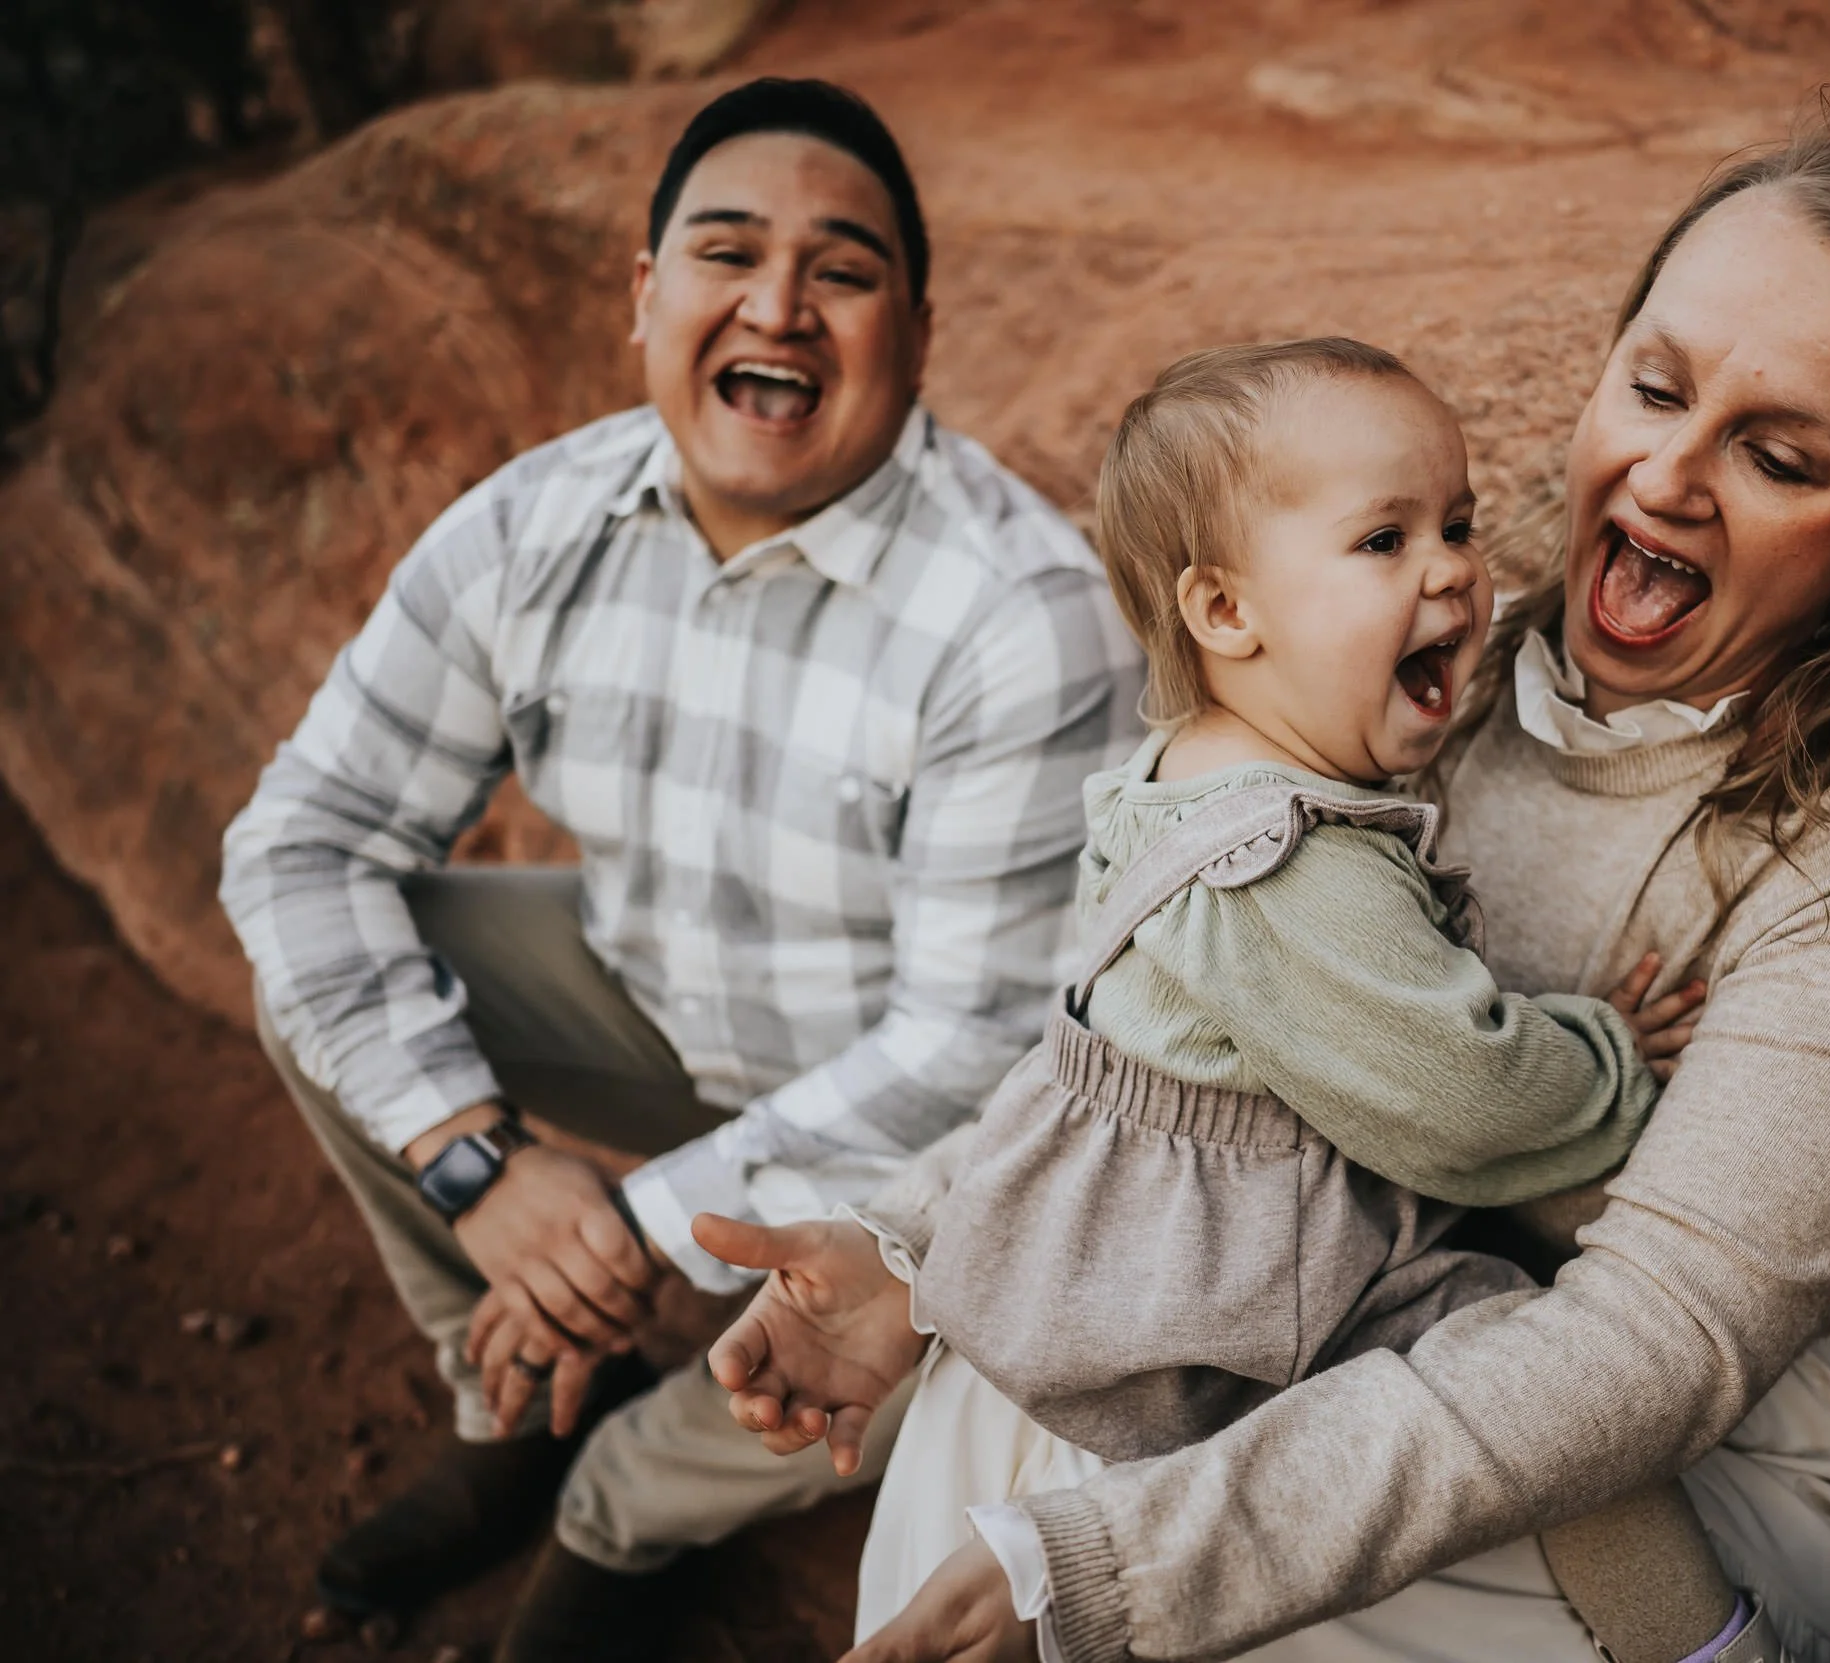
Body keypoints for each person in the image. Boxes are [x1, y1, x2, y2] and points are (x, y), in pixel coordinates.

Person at [695, 115, 1830, 1663]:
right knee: (1018, 1405)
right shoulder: (1419, 682)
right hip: (1395, 1299)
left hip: (1731, 1451)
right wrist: (914, 1259)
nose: (1668, 473)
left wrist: (1129, 1566)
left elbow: (1647, 1350)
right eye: (1652, 388)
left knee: (1101, 1520)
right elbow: (1168, 1061)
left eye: (1776, 457)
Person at [218, 77, 1142, 1663]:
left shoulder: (1019, 612)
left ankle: (622, 1500)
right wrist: (480, 1166)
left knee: (1003, 1251)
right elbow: (301, 839)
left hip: (936, 1131)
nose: (777, 305)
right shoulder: (533, 522)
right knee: (324, 978)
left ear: (917, 333)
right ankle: (513, 1393)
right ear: (644, 300)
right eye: (726, 253)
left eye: (841, 271)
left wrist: (632, 1229)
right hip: (653, 1004)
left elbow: (978, 1052)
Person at [700, 336, 1710, 1632]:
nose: (1454, 566)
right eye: (1383, 541)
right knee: (1561, 1397)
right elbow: (1466, 1096)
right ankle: (1712, 1642)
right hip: (1149, 1396)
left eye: (1454, 524)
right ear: (1227, 612)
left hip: (1095, 1343)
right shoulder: (1288, 873)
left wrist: (907, 1237)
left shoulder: (1178, 781)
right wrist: (1609, 1051)